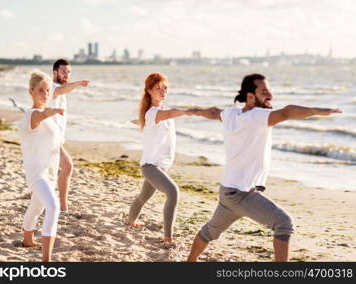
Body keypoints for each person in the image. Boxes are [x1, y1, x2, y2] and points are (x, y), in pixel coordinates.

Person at [187, 73, 342, 262]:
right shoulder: (258, 116)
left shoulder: (231, 114)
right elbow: (287, 112)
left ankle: (190, 263)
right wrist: (318, 110)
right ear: (250, 97)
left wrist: (192, 110)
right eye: (264, 92)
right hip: (241, 193)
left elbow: (212, 112)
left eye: (270, 90)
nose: (270, 95)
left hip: (228, 191)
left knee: (210, 231)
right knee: (284, 223)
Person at [128, 72, 194, 245]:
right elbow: (169, 114)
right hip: (151, 166)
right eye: (158, 88)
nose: (163, 91)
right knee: (173, 192)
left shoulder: (152, 113)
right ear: (149, 91)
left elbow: (157, 120)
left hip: (159, 166)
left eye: (165, 87)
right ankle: (168, 237)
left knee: (143, 197)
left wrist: (139, 121)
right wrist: (186, 111)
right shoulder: (154, 112)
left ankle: (130, 222)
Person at [18, 71, 64, 262]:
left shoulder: (50, 117)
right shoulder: (32, 115)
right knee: (53, 207)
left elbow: (54, 144)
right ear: (31, 92)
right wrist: (50, 112)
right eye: (40, 91)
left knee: (36, 207)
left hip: (50, 172)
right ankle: (46, 259)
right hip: (37, 174)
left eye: (47, 91)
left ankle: (28, 239)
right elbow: (40, 114)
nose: (45, 94)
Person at [49, 59, 89, 213]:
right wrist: (78, 83)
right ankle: (63, 206)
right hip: (48, 140)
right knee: (67, 166)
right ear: (55, 73)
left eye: (69, 72)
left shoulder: (60, 89)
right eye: (63, 72)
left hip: (54, 140)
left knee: (50, 172)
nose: (66, 75)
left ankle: (54, 204)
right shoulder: (52, 87)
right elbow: (61, 90)